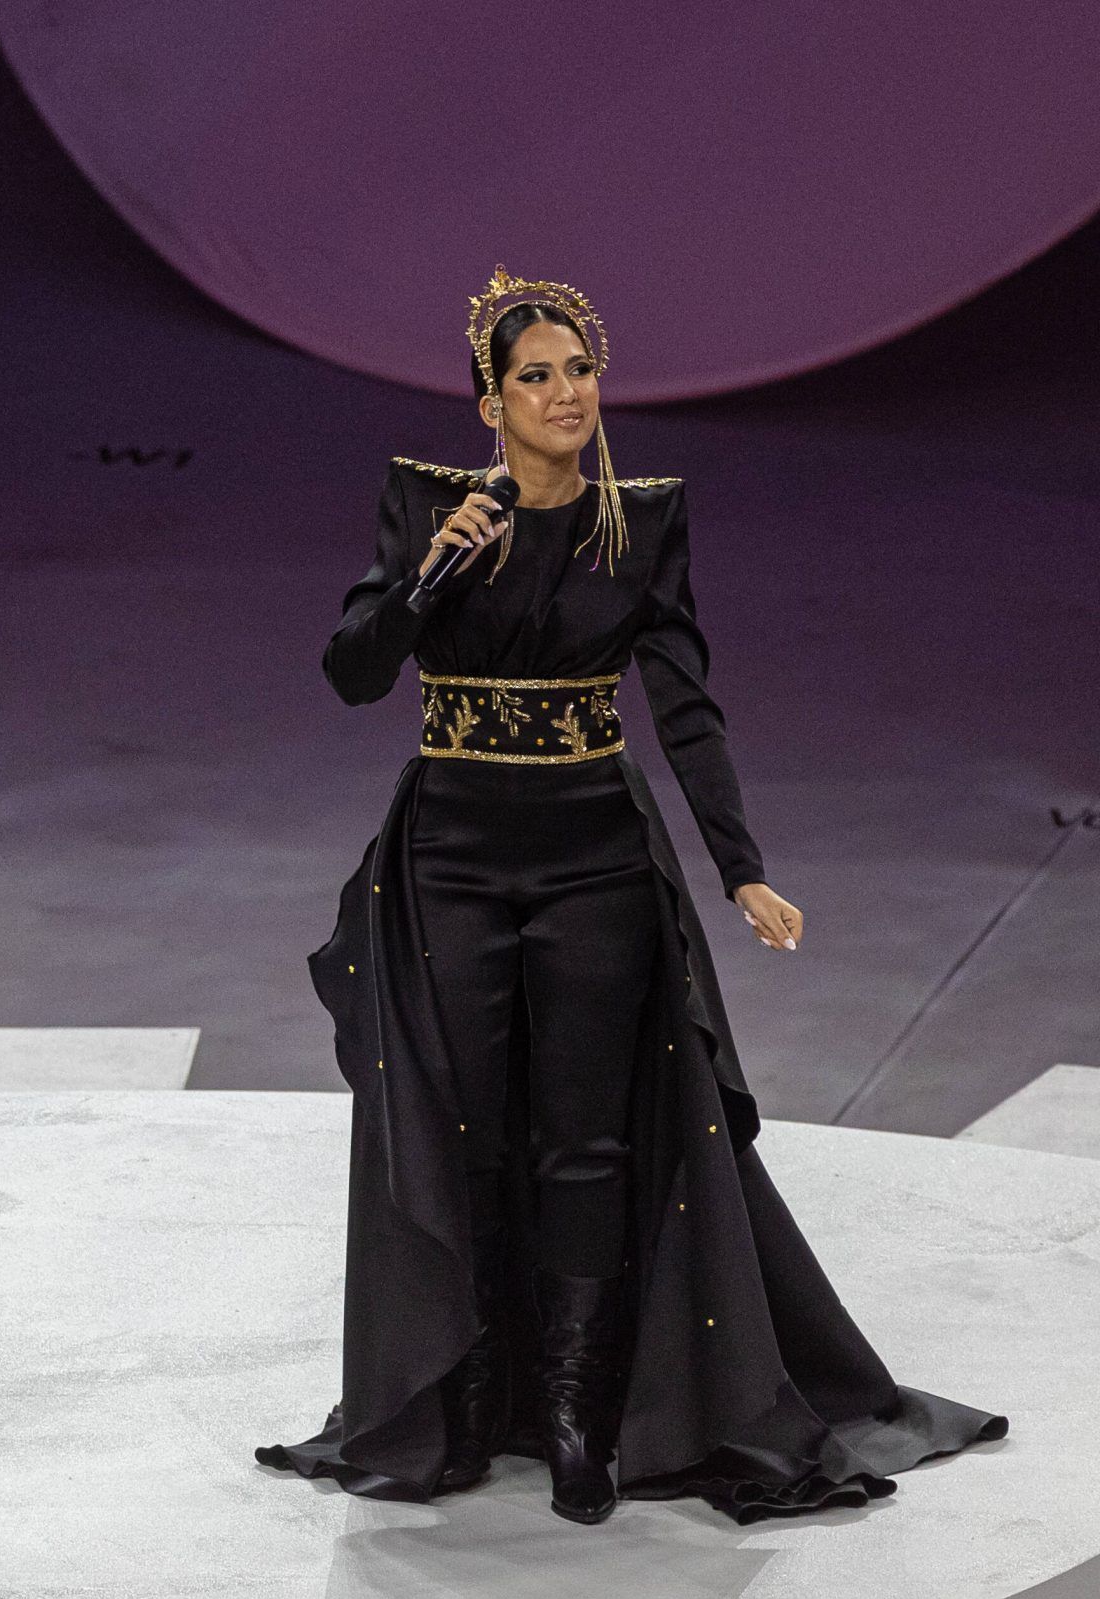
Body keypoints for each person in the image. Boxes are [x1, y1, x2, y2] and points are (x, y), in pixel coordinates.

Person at [256, 268, 1003, 1524]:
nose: (566, 393)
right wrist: (430, 576)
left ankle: (574, 1413)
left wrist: (740, 864)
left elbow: (685, 704)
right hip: (450, 856)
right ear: (490, 403)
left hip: (592, 855)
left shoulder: (639, 522)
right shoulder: (429, 506)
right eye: (535, 376)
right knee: (459, 1124)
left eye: (580, 370)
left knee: (586, 1140)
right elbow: (350, 673)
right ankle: (465, 1398)